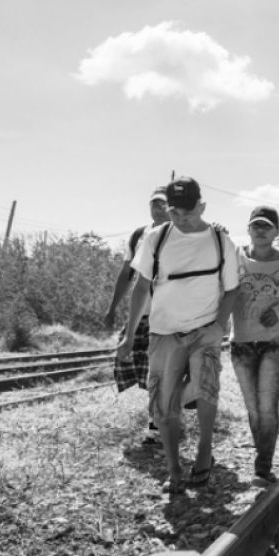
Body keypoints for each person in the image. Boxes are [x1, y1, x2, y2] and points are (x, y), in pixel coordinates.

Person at [118, 176, 239, 494]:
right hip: (164, 331)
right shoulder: (155, 239)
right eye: (176, 212)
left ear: (202, 206)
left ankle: (203, 450)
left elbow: (232, 290)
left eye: (189, 211)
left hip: (205, 330)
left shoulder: (220, 241)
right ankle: (173, 470)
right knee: (163, 404)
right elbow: (141, 286)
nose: (183, 218)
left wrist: (219, 325)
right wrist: (129, 335)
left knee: (206, 388)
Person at [230, 205, 279, 487]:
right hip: (240, 344)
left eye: (267, 226)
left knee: (266, 406)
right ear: (249, 228)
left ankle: (262, 467)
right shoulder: (235, 257)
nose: (261, 230)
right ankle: (261, 459)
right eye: (256, 225)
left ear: (277, 231)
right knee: (253, 408)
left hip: (276, 344)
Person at [106, 186, 170, 442]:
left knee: (163, 368)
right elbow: (127, 275)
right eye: (154, 203)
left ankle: (160, 420)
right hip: (144, 312)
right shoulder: (140, 235)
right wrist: (112, 308)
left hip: (170, 313)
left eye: (163, 203)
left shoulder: (182, 234)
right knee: (145, 368)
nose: (158, 207)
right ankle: (159, 418)